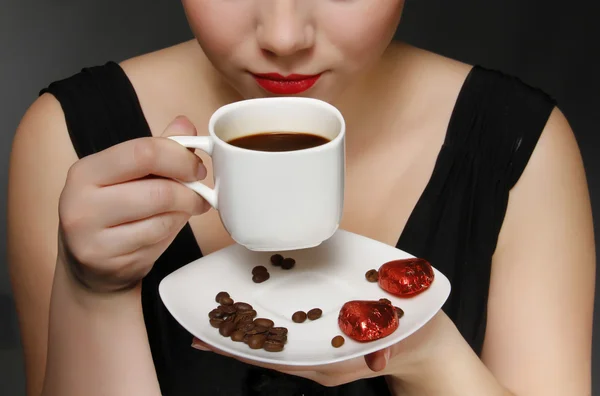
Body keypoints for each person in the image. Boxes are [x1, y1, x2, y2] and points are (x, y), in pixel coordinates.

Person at [7, 1, 595, 395]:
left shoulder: (521, 144)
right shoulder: (71, 136)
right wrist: (96, 292)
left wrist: (431, 353)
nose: (284, 38)